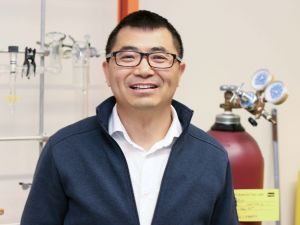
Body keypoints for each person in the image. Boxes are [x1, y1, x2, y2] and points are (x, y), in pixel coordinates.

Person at [21, 10, 239, 225]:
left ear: (179, 72)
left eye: (159, 58)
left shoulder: (211, 157)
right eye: (128, 57)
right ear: (107, 71)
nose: (144, 69)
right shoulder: (64, 150)